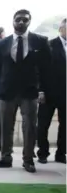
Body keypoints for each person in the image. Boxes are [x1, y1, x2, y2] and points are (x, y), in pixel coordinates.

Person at [0, 10, 51, 173]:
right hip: (7, 91)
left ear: (29, 22)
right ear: (13, 21)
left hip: (30, 91)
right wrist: (0, 87)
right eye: (18, 19)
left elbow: (46, 68)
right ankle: (5, 157)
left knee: (30, 126)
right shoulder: (3, 43)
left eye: (25, 20)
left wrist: (42, 90)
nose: (21, 22)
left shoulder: (40, 41)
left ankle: (28, 159)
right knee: (5, 126)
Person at [37, 18, 66, 164]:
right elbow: (41, 69)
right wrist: (40, 90)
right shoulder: (49, 45)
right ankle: (42, 152)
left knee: (65, 125)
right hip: (48, 92)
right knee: (43, 124)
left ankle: (61, 153)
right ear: (61, 29)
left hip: (65, 94)